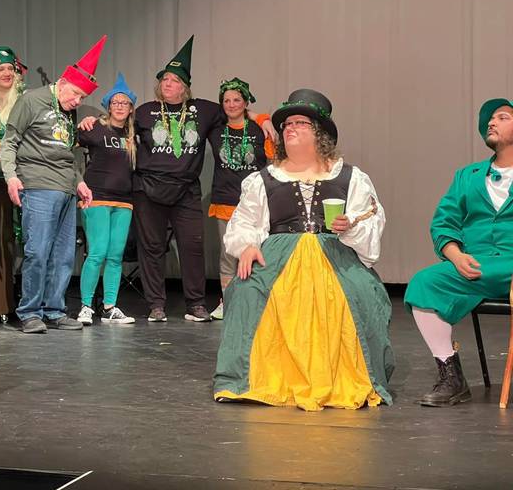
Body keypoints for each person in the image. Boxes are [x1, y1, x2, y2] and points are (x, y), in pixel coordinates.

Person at [213, 88, 394, 411]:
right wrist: (248, 245)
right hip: (278, 254)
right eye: (286, 125)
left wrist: (350, 226)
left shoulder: (351, 177)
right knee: (247, 289)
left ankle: (349, 375)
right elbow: (245, 220)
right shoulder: (264, 179)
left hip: (335, 251)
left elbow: (370, 220)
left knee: (363, 292)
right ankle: (248, 378)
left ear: (320, 133)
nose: (290, 128)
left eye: (300, 123)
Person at [132, 36, 273, 323]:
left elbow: (237, 110)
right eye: (164, 80)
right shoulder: (144, 111)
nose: (167, 84)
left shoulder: (205, 109)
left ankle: (196, 304)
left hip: (185, 191)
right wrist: (92, 121)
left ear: (184, 87)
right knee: (152, 248)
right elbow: (116, 123)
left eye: (174, 80)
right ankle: (155, 304)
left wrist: (264, 118)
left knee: (192, 247)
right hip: (148, 189)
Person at [405, 98, 513, 407]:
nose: (492, 122)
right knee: (424, 283)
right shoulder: (468, 176)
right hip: (476, 264)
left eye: (502, 117)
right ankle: (451, 374)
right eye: (489, 120)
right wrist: (455, 255)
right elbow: (444, 221)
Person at [0, 36, 107, 333]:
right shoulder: (31, 101)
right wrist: (11, 176)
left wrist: (80, 183)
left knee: (63, 255)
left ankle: (55, 309)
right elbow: (9, 143)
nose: (77, 102)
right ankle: (30, 311)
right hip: (37, 185)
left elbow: (66, 155)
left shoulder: (67, 110)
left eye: (82, 98)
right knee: (37, 251)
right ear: (62, 83)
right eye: (75, 95)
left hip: (66, 189)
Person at [207, 78, 274, 320]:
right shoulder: (214, 127)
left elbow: (274, 163)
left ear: (246, 102)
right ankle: (228, 301)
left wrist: (262, 118)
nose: (232, 104)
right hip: (224, 199)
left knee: (255, 251)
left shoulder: (260, 130)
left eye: (237, 100)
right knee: (228, 255)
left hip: (254, 202)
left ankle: (253, 301)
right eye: (227, 100)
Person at [76, 73, 138, 325]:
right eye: (115, 102)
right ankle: (86, 306)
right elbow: (69, 151)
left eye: (124, 103)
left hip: (124, 202)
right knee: (97, 252)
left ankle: (110, 306)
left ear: (131, 108)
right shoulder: (95, 129)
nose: (120, 106)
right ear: (108, 106)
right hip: (97, 198)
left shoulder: (135, 136)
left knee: (115, 255)